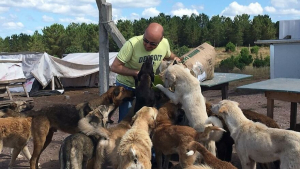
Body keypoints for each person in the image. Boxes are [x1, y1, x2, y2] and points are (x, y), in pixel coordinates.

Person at [110, 22, 181, 122]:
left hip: (147, 89)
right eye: (145, 41)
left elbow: (169, 55)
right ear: (144, 34)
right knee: (126, 121)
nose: (148, 45)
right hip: (127, 87)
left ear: (160, 40)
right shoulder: (132, 44)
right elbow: (114, 67)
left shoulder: (165, 43)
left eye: (153, 44)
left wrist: (176, 58)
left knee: (148, 119)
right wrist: (136, 73)